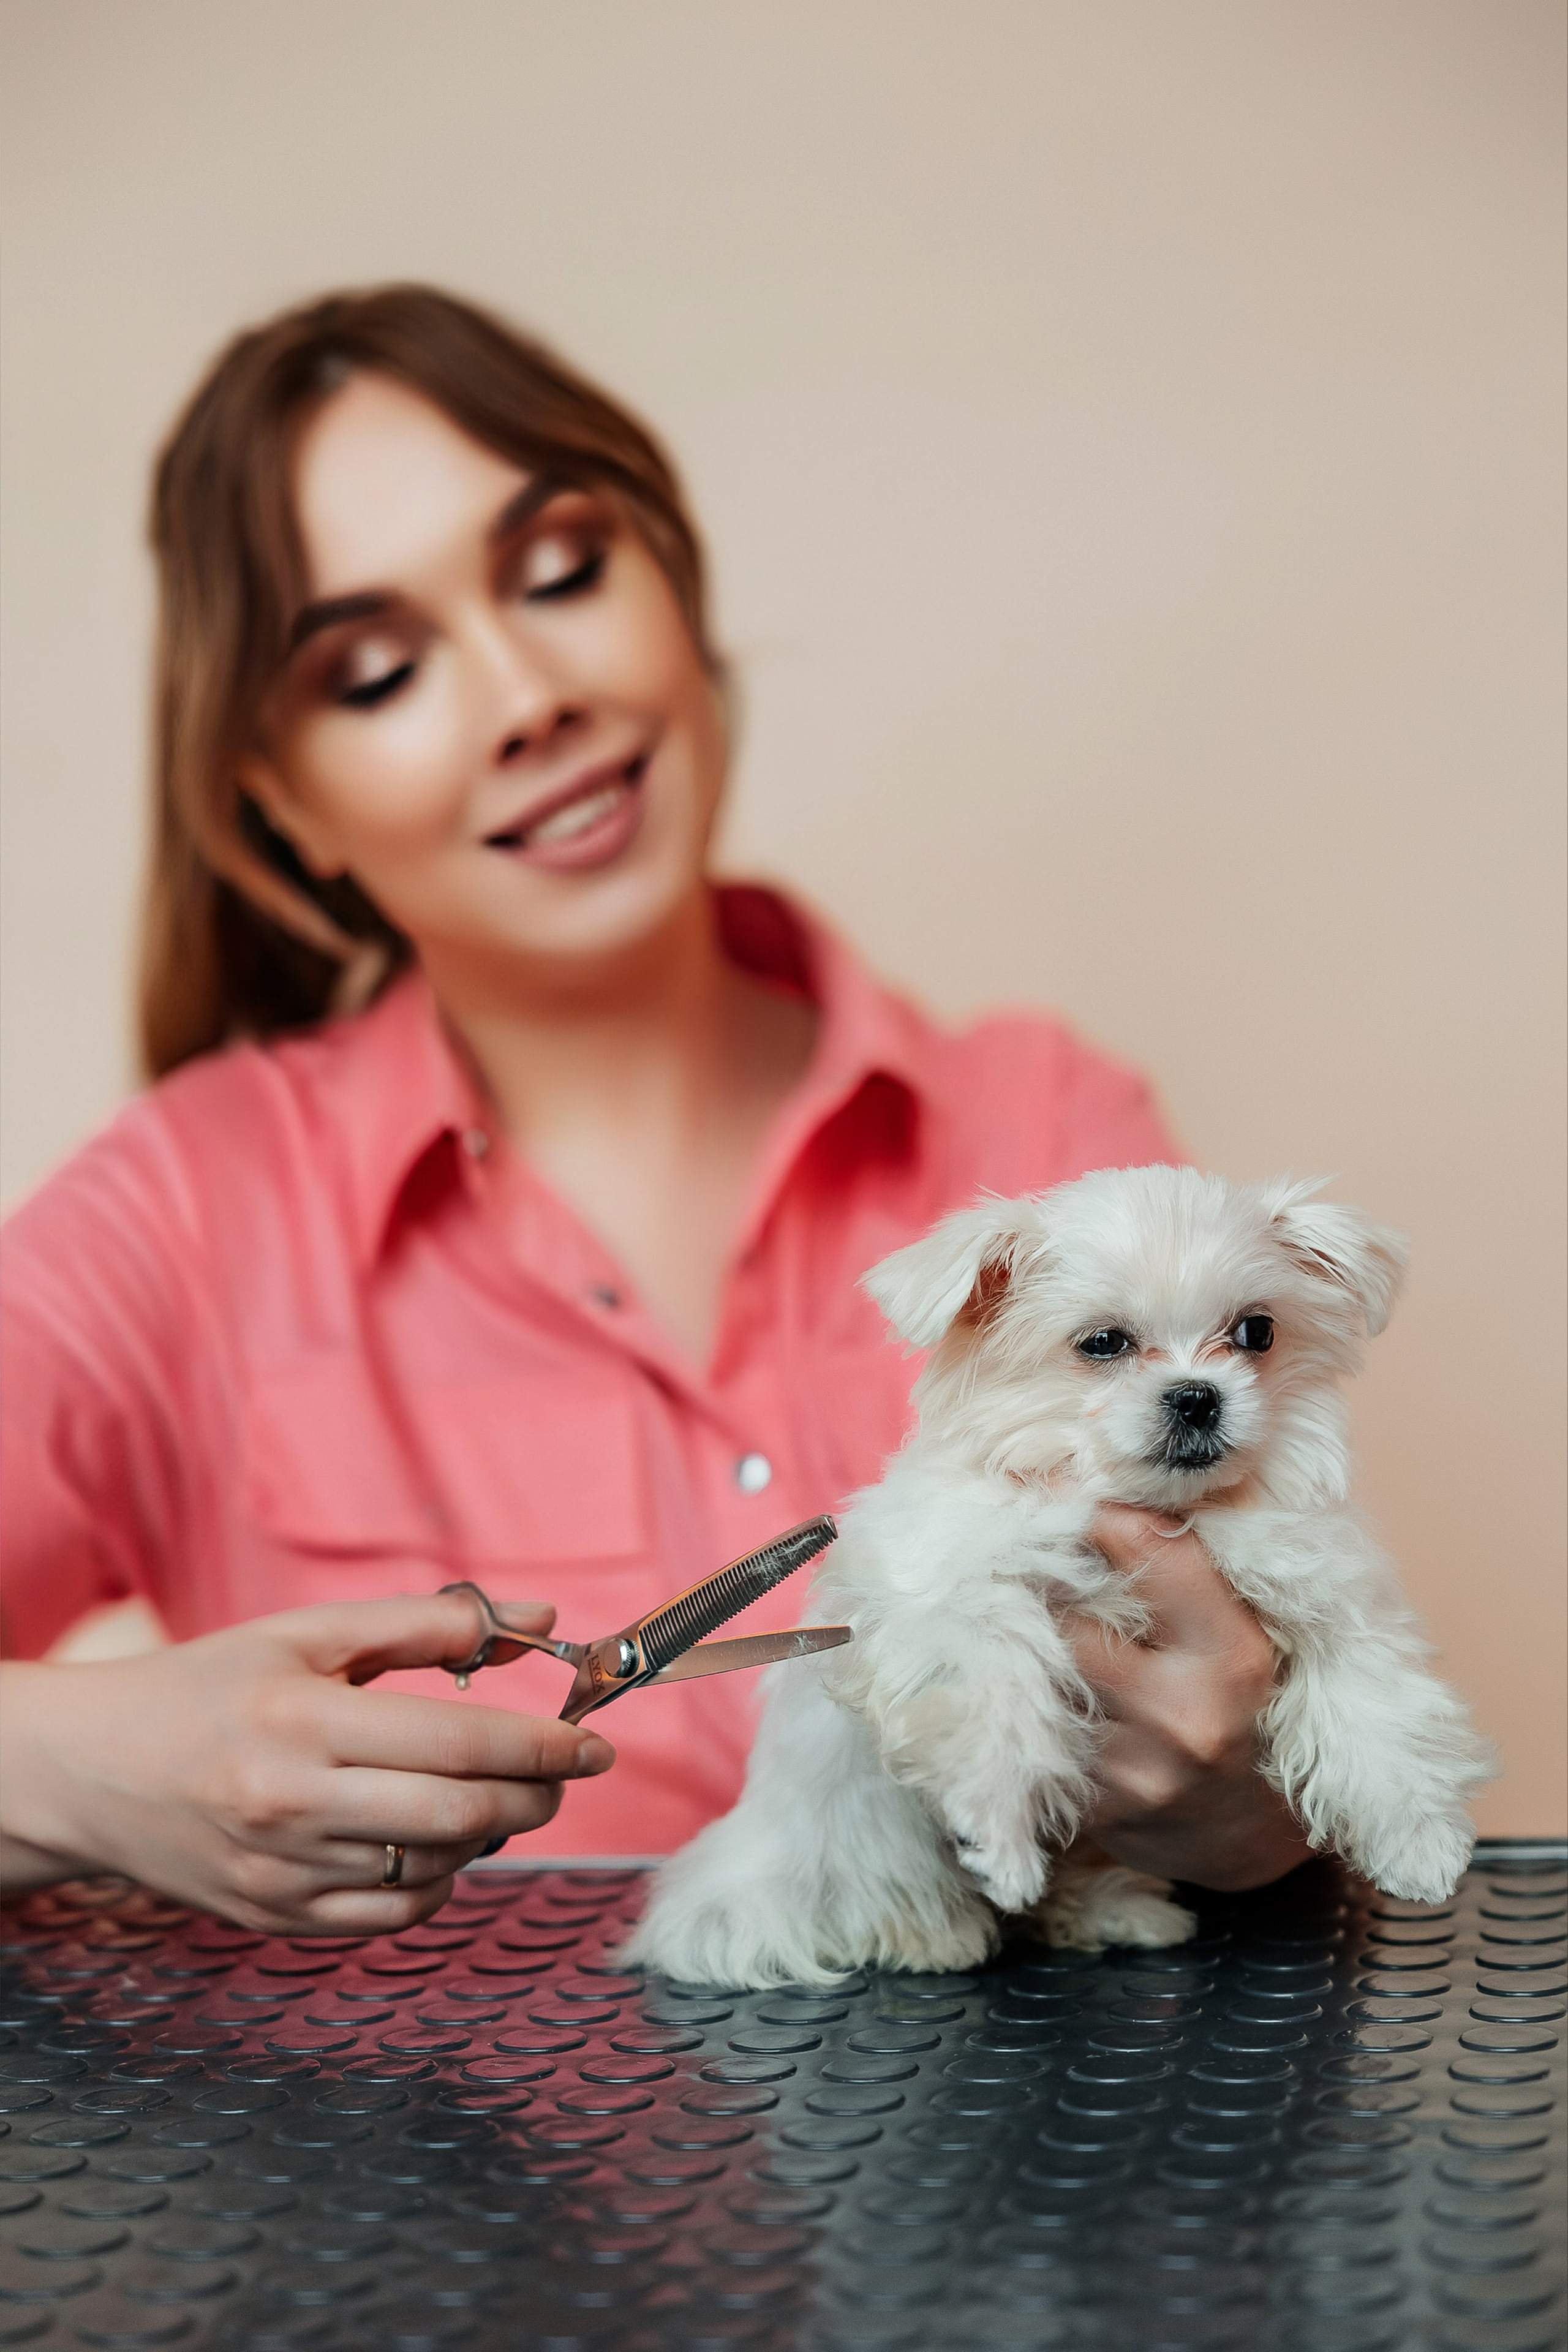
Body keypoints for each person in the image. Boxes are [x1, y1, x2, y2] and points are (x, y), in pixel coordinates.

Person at [0, 285, 1310, 1938]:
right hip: (423, 2179)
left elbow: (1279, 1745)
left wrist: (1236, 1809)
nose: (525, 691)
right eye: (381, 669)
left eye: (562, 573)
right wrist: (67, 1767)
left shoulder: (1045, 1129)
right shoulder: (182, 1218)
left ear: (677, 592)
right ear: (282, 811)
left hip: (1010, 2173)